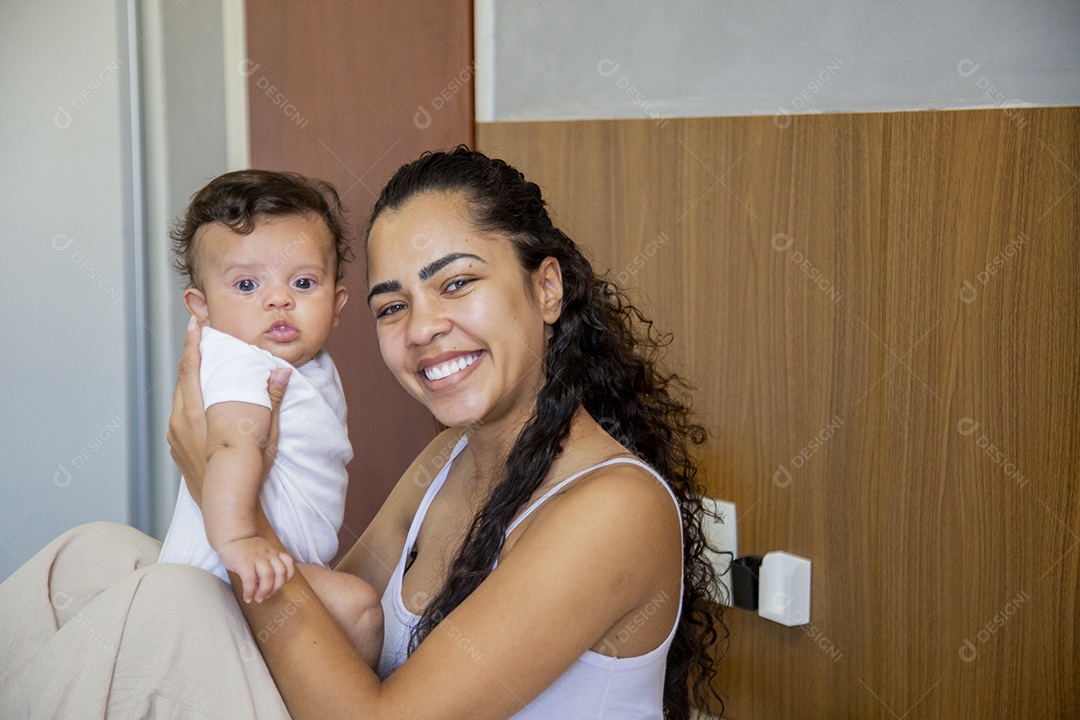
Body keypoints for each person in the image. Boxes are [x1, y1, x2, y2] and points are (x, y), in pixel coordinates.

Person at [0, 147, 724, 719]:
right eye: (391, 306)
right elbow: (324, 617)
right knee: (91, 558)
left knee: (166, 610)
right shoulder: (449, 457)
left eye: (456, 283)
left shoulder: (614, 509)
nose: (424, 328)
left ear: (546, 287)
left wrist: (225, 500)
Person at [157, 169, 383, 668]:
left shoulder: (304, 363)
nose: (278, 298)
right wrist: (240, 540)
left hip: (259, 564)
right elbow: (231, 447)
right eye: (246, 284)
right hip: (227, 571)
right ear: (203, 310)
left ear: (337, 303)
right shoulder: (243, 361)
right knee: (359, 609)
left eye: (303, 282)